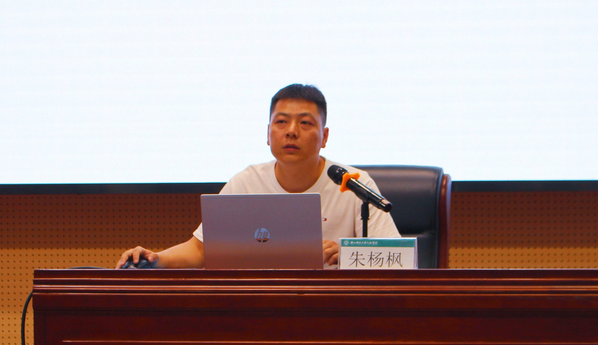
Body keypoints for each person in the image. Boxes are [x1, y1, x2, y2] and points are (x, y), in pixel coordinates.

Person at [116, 84, 399, 269]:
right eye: (281, 122)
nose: (291, 131)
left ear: (324, 137)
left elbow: (396, 257)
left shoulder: (355, 184)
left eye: (305, 123)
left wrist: (347, 253)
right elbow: (201, 250)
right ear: (268, 134)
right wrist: (155, 258)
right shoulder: (246, 183)